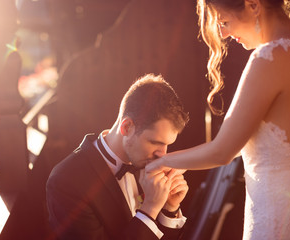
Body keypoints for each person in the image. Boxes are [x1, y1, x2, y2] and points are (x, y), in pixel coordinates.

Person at [146, 0, 290, 239]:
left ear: (253, 5)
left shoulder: (268, 58)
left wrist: (159, 163)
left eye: (225, 21)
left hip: (277, 210)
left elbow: (223, 151)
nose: (223, 33)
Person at [46, 74, 190, 240]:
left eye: (167, 144)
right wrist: (149, 208)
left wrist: (170, 209)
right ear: (127, 127)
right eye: (154, 142)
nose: (163, 155)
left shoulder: (145, 161)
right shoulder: (66, 180)